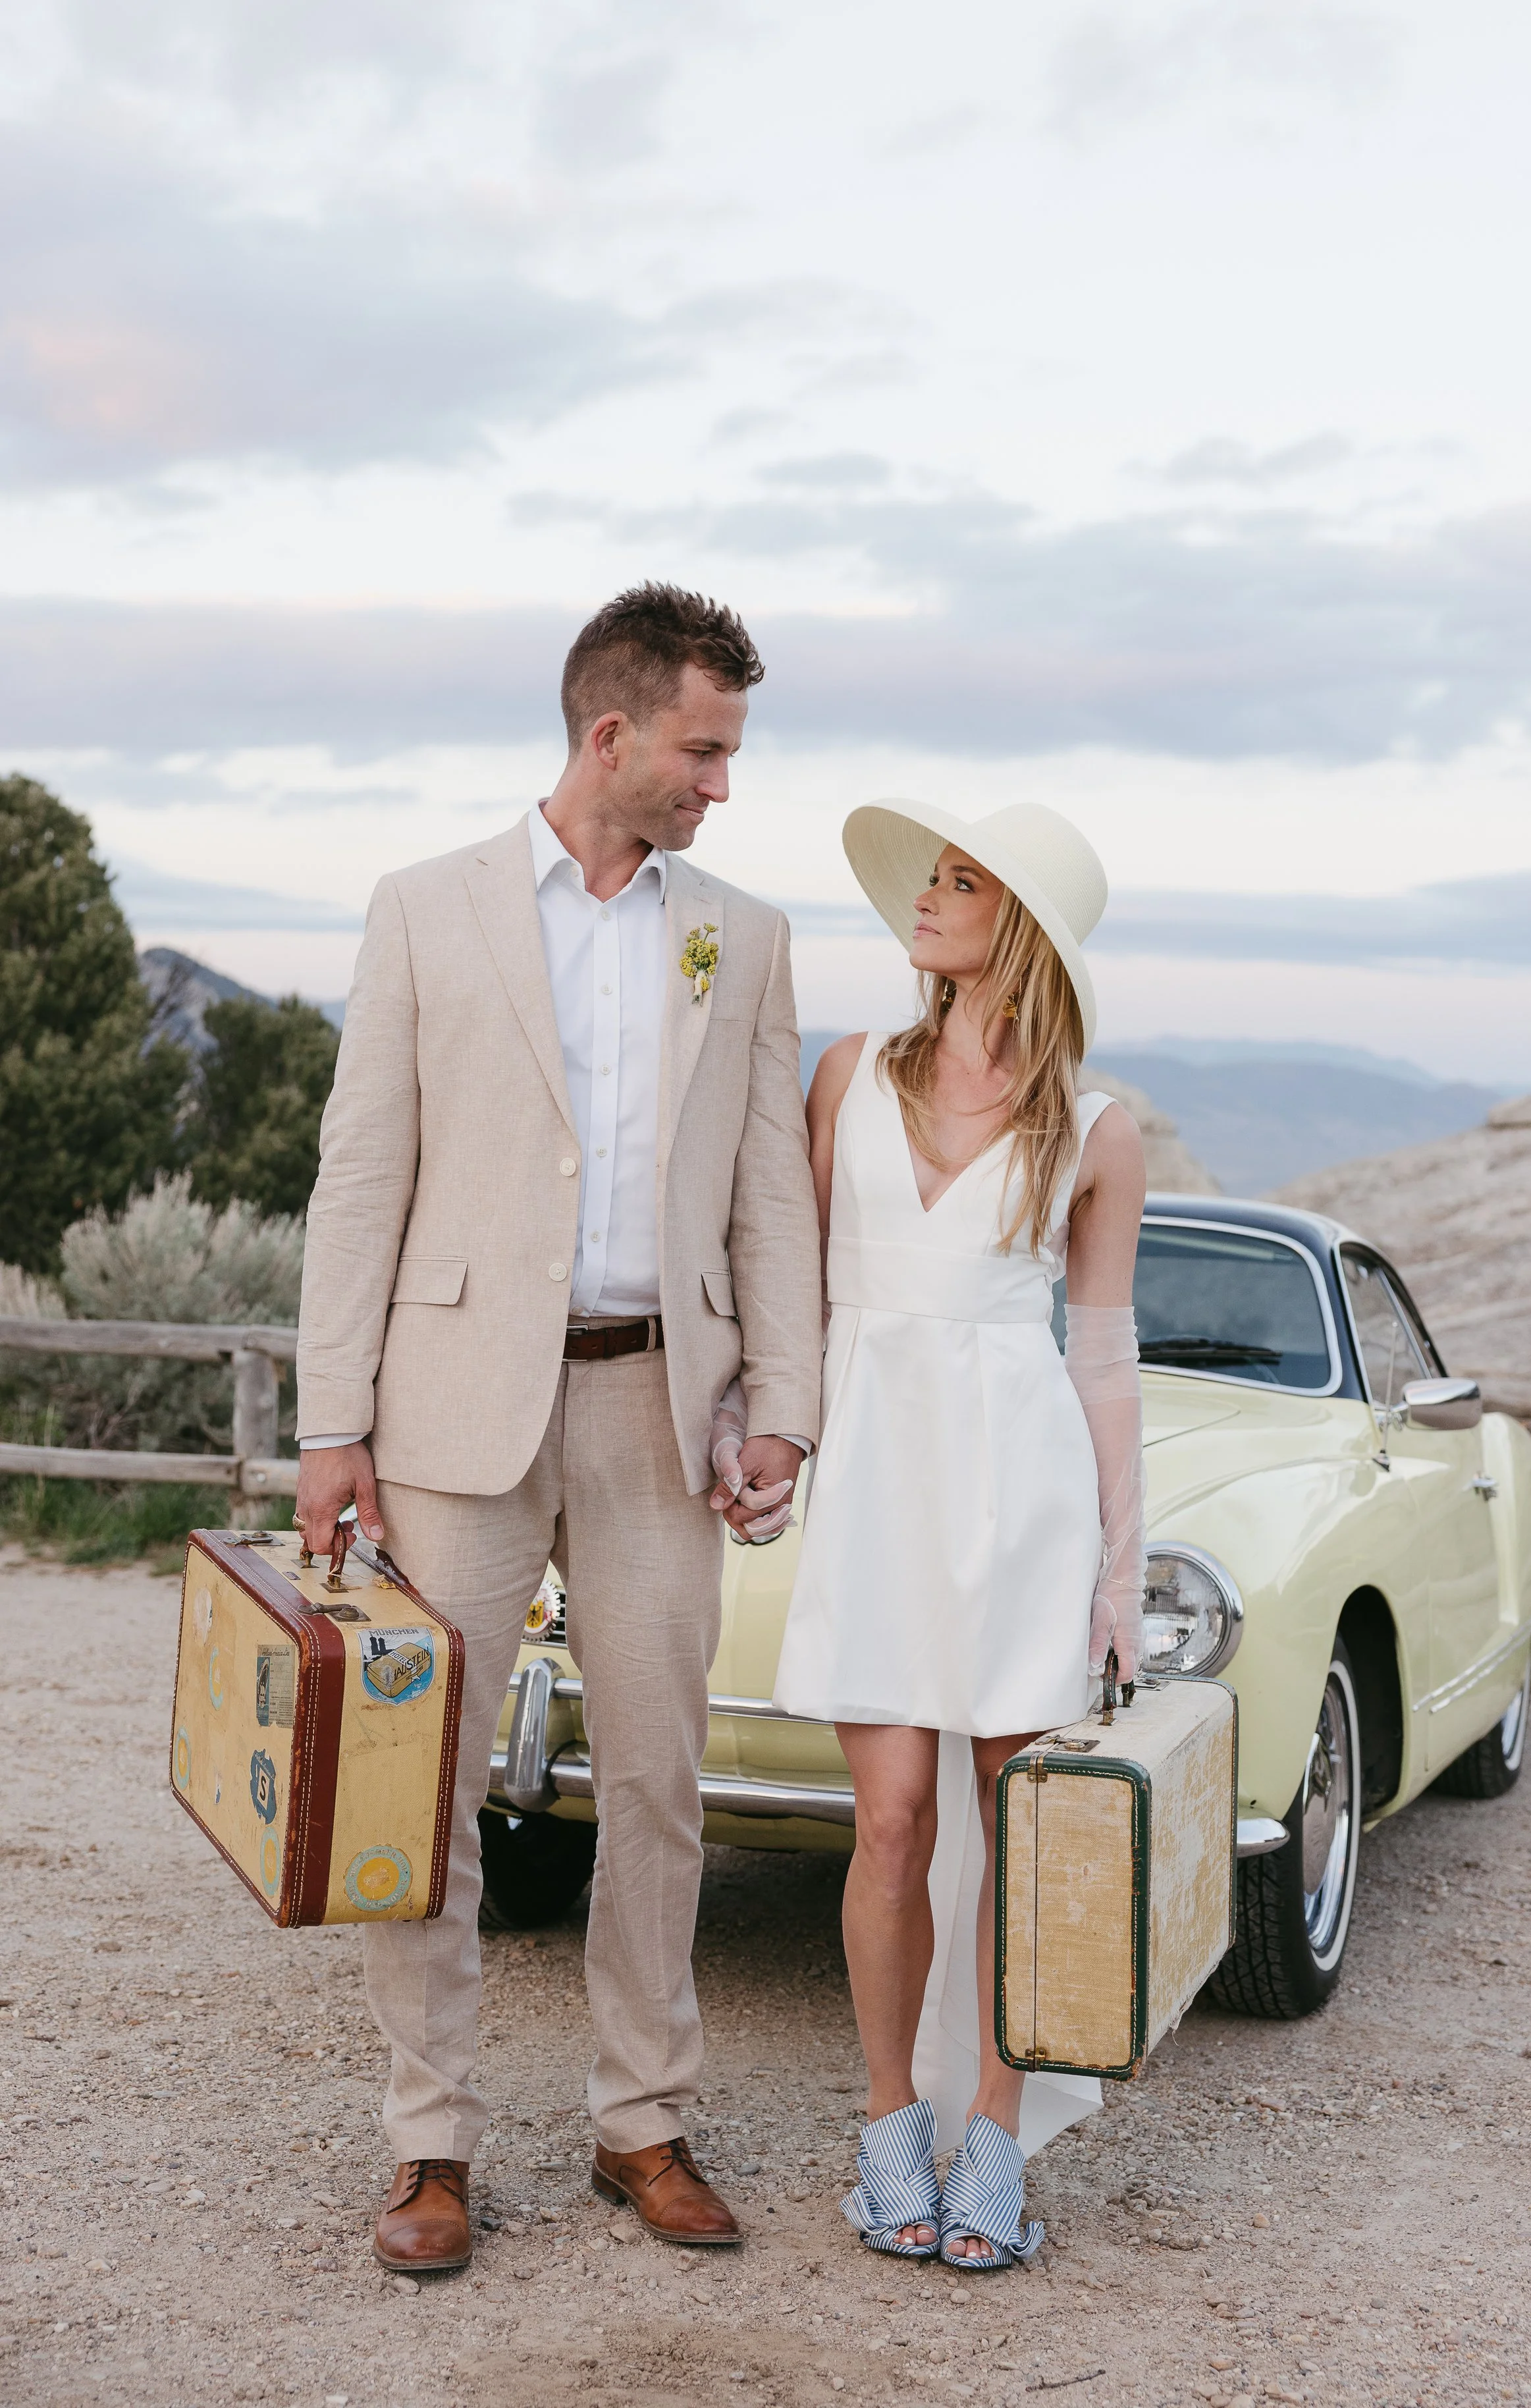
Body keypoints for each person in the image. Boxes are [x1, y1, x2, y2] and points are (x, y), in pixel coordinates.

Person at [294, 584, 822, 2270]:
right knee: (426, 1783)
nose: (720, 786)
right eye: (704, 748)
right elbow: (360, 1177)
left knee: (660, 1775)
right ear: (612, 735)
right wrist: (331, 1420)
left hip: (663, 1405)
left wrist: (785, 1408)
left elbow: (765, 1196)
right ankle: (429, 2145)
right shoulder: (423, 909)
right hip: (453, 1412)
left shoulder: (739, 933)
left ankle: (641, 2120)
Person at [773, 799, 1147, 2270]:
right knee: (888, 1823)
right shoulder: (849, 1073)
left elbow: (1102, 1355)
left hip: (1019, 1491)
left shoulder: (1095, 1126)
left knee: (1010, 1835)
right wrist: (766, 1440)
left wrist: (1119, 1574)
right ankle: (888, 2138)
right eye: (925, 877)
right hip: (873, 1481)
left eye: (960, 881)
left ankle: (993, 2131)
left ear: (1025, 929)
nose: (924, 899)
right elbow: (792, 1287)